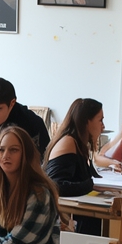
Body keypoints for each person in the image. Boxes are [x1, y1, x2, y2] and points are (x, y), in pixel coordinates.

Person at [44, 97, 102, 236]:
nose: (103, 126)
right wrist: (89, 185)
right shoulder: (69, 142)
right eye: (100, 120)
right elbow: (55, 185)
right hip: (60, 217)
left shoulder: (77, 142)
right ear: (87, 121)